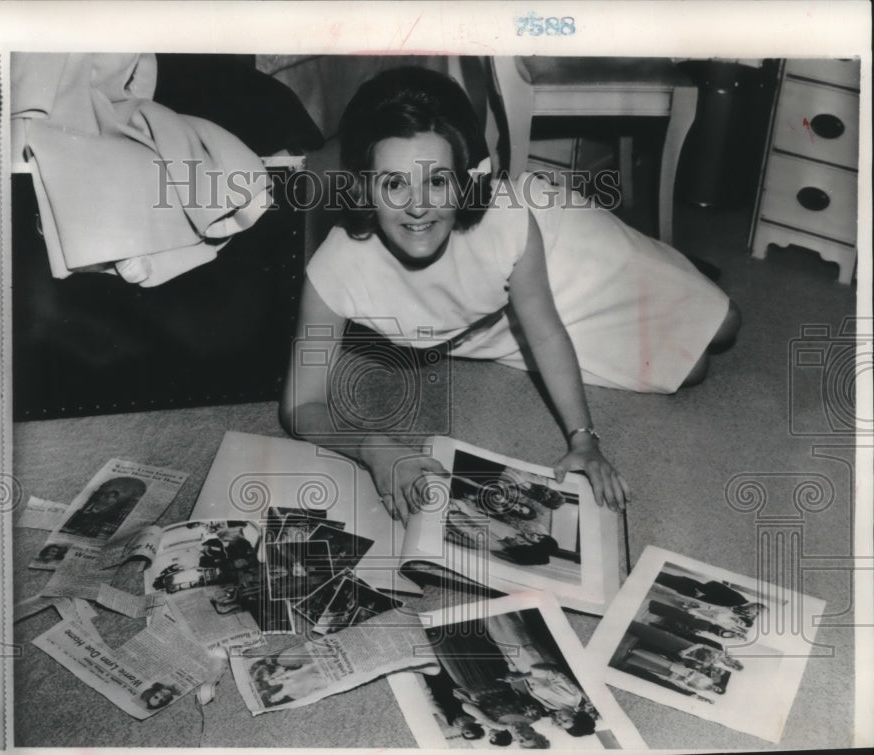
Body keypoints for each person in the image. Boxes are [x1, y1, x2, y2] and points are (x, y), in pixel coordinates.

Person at [280, 66, 739, 522]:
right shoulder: (333, 269)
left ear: (465, 180)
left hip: (557, 248)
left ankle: (664, 261)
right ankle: (669, 275)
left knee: (725, 323)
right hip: (490, 327)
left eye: (437, 180)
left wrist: (584, 441)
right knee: (692, 369)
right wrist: (373, 447)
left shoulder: (506, 219)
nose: (417, 206)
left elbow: (544, 333)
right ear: (363, 187)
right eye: (394, 183)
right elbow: (300, 406)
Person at [59, 476, 147, 539]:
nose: (111, 496)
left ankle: (88, 533)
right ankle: (79, 530)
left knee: (94, 524)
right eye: (110, 494)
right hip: (95, 510)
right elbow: (96, 502)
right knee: (86, 519)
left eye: (113, 495)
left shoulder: (112, 501)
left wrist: (100, 510)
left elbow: (108, 507)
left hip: (101, 513)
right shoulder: (103, 497)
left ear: (115, 496)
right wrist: (93, 509)